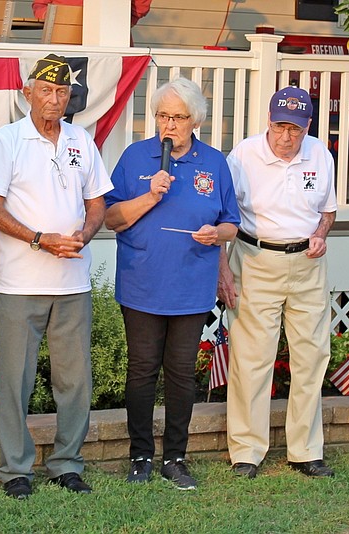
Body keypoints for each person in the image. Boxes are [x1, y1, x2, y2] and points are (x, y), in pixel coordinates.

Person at [0, 54, 112, 499]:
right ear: (27, 93)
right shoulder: (7, 139)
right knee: (15, 380)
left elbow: (98, 203)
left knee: (74, 380)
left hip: (72, 282)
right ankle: (16, 469)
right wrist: (40, 239)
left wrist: (84, 234)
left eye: (62, 92)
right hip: (19, 283)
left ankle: (67, 463)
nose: (54, 99)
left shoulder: (81, 139)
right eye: (45, 90)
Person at [104, 78, 239, 489]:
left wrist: (216, 235)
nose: (168, 125)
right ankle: (140, 456)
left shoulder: (214, 162)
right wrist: (149, 195)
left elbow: (231, 223)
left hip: (191, 285)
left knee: (180, 373)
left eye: (177, 117)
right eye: (162, 115)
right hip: (142, 282)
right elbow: (109, 219)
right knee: (142, 371)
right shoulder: (134, 157)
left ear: (194, 120)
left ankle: (176, 458)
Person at [218, 87, 337, 479]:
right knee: (253, 358)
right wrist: (223, 270)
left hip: (307, 261)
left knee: (312, 356)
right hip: (254, 259)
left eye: (296, 130)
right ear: (268, 121)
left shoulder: (319, 153)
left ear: (307, 127)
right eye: (280, 127)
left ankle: (305, 451)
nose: (287, 137)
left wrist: (321, 234)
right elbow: (226, 217)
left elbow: (328, 210)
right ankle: (247, 452)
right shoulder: (243, 156)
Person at [32, 0, 152, 26]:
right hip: (63, 45)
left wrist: (124, 23)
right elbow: (40, 6)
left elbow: (140, 7)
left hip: (111, 47)